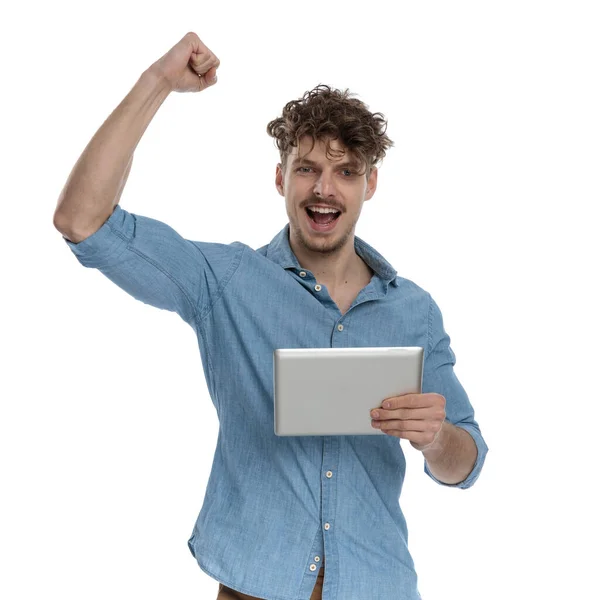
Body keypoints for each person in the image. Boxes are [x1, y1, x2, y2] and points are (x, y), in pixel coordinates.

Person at [53, 31, 489, 600]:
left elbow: (466, 465)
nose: (324, 188)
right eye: (306, 169)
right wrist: (158, 80)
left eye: (346, 172)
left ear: (370, 184)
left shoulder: (415, 311)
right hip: (255, 585)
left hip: (378, 585)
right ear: (280, 177)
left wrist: (436, 439)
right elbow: (82, 219)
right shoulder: (226, 281)